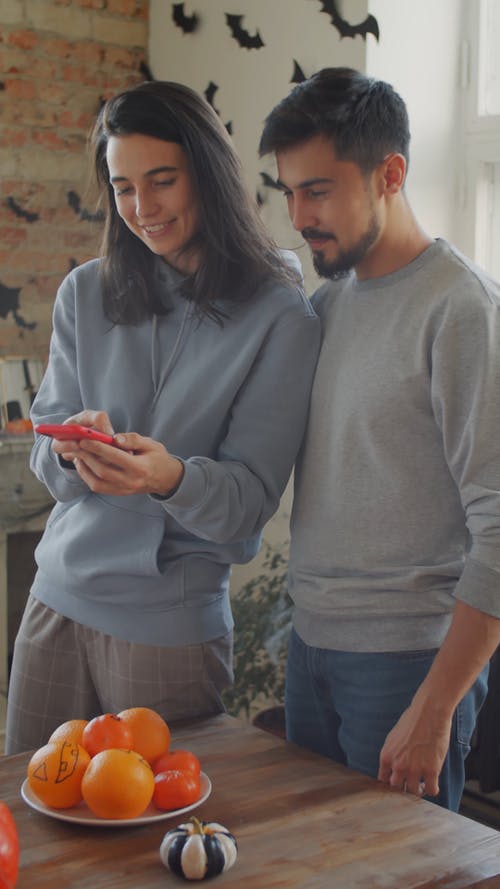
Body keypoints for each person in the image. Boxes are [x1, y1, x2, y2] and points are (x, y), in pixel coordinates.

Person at [5, 80, 320, 754]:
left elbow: (247, 503)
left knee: (158, 849)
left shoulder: (279, 315)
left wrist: (169, 477)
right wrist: (70, 451)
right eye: (122, 187)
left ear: (205, 171)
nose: (142, 208)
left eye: (162, 180)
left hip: (168, 630)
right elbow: (45, 456)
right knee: (30, 831)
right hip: (54, 601)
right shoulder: (84, 292)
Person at [259, 66, 500, 811]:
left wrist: (434, 712)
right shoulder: (327, 305)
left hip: (407, 664)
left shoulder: (460, 309)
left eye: (319, 190)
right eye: (289, 192)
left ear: (390, 173)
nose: (298, 216)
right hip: (312, 651)